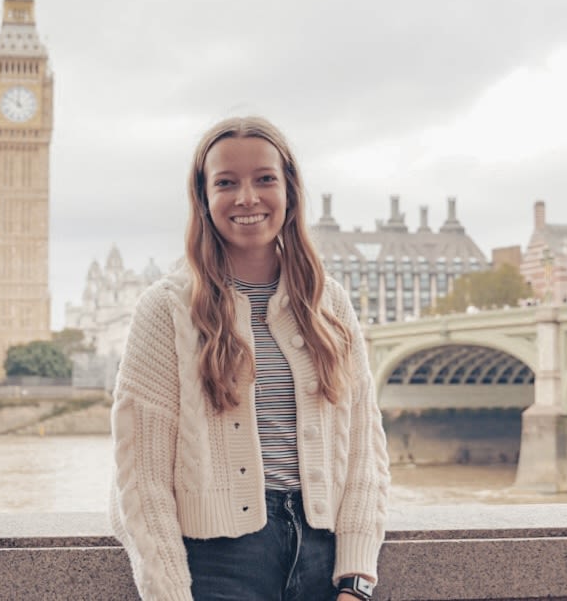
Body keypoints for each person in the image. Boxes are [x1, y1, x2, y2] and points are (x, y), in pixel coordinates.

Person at [110, 116, 389, 601]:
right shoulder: (165, 310)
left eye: (264, 179)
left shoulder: (329, 304)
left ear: (290, 192)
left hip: (323, 557)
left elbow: (364, 448)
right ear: (203, 199)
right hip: (219, 564)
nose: (247, 198)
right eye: (226, 183)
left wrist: (357, 578)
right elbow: (141, 477)